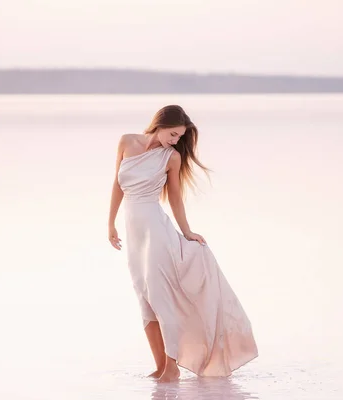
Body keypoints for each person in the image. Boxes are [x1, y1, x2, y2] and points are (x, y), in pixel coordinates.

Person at [108, 105, 258, 382]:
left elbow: (175, 197)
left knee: (161, 297)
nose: (175, 140)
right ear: (161, 124)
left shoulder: (171, 157)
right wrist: (110, 223)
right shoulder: (127, 141)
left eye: (179, 137)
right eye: (173, 134)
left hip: (156, 231)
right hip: (133, 233)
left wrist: (186, 231)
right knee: (144, 299)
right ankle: (159, 365)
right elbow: (117, 184)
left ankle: (172, 367)